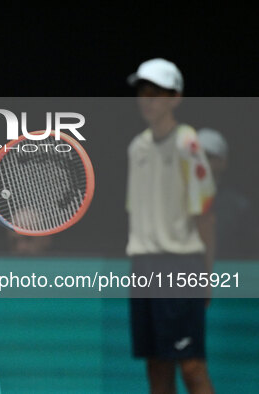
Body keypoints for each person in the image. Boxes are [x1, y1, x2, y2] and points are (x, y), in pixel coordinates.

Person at [125, 58, 216, 393]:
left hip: (180, 265)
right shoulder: (137, 147)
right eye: (143, 91)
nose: (147, 99)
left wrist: (205, 274)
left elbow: (205, 215)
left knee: (191, 366)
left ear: (175, 97)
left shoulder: (187, 143)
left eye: (156, 92)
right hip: (144, 267)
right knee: (157, 365)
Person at [197, 128, 259, 258]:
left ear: (223, 162)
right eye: (195, 155)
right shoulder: (173, 202)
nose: (200, 161)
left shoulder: (239, 206)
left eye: (208, 156)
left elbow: (250, 252)